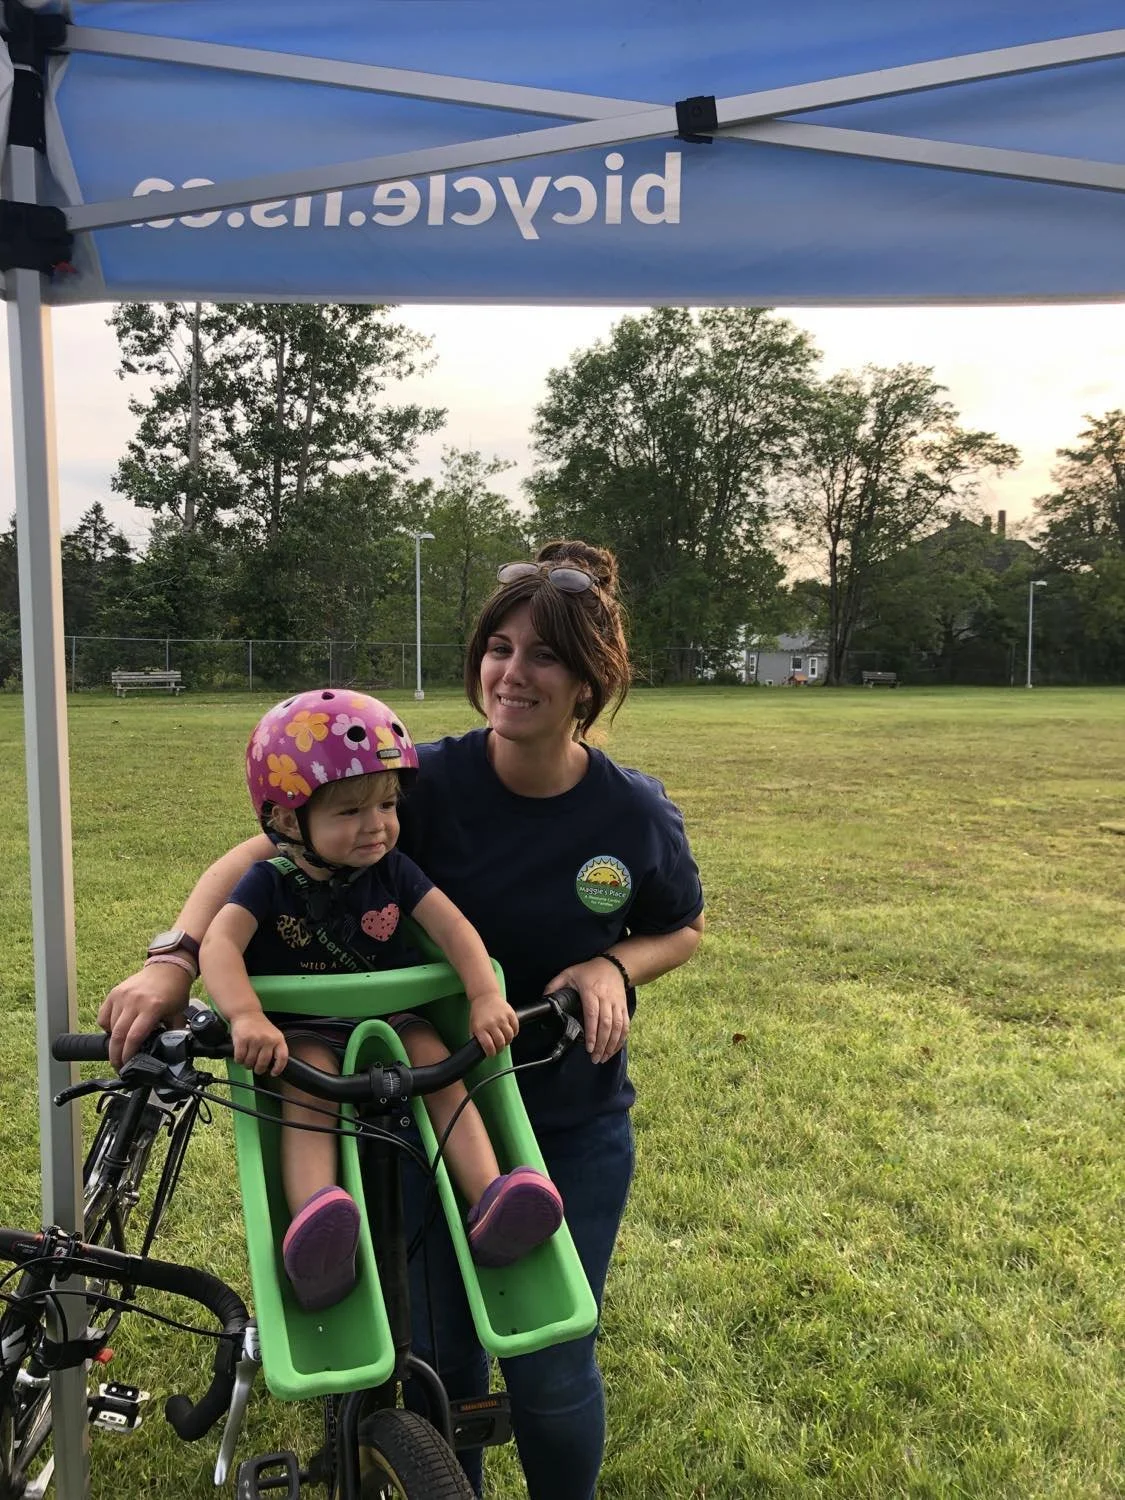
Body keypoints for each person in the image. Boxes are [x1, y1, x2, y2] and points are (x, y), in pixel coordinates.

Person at [100, 540, 704, 1500]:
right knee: (442, 1362)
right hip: (409, 1112)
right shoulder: (415, 784)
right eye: (497, 646)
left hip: (566, 1118)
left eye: (543, 654)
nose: (512, 673)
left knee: (550, 1362)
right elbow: (259, 856)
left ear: (592, 677)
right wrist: (172, 959)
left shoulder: (631, 815)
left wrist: (609, 962)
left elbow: (680, 928)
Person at [202, 689, 564, 1310]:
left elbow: (456, 930)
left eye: (388, 805)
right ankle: (318, 1237)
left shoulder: (394, 871)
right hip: (311, 1026)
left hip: (399, 1018)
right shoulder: (268, 881)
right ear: (287, 820)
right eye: (349, 812)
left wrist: (482, 995)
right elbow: (219, 946)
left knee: (441, 1068)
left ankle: (490, 1200)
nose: (376, 826)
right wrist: (245, 1015)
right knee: (306, 1091)